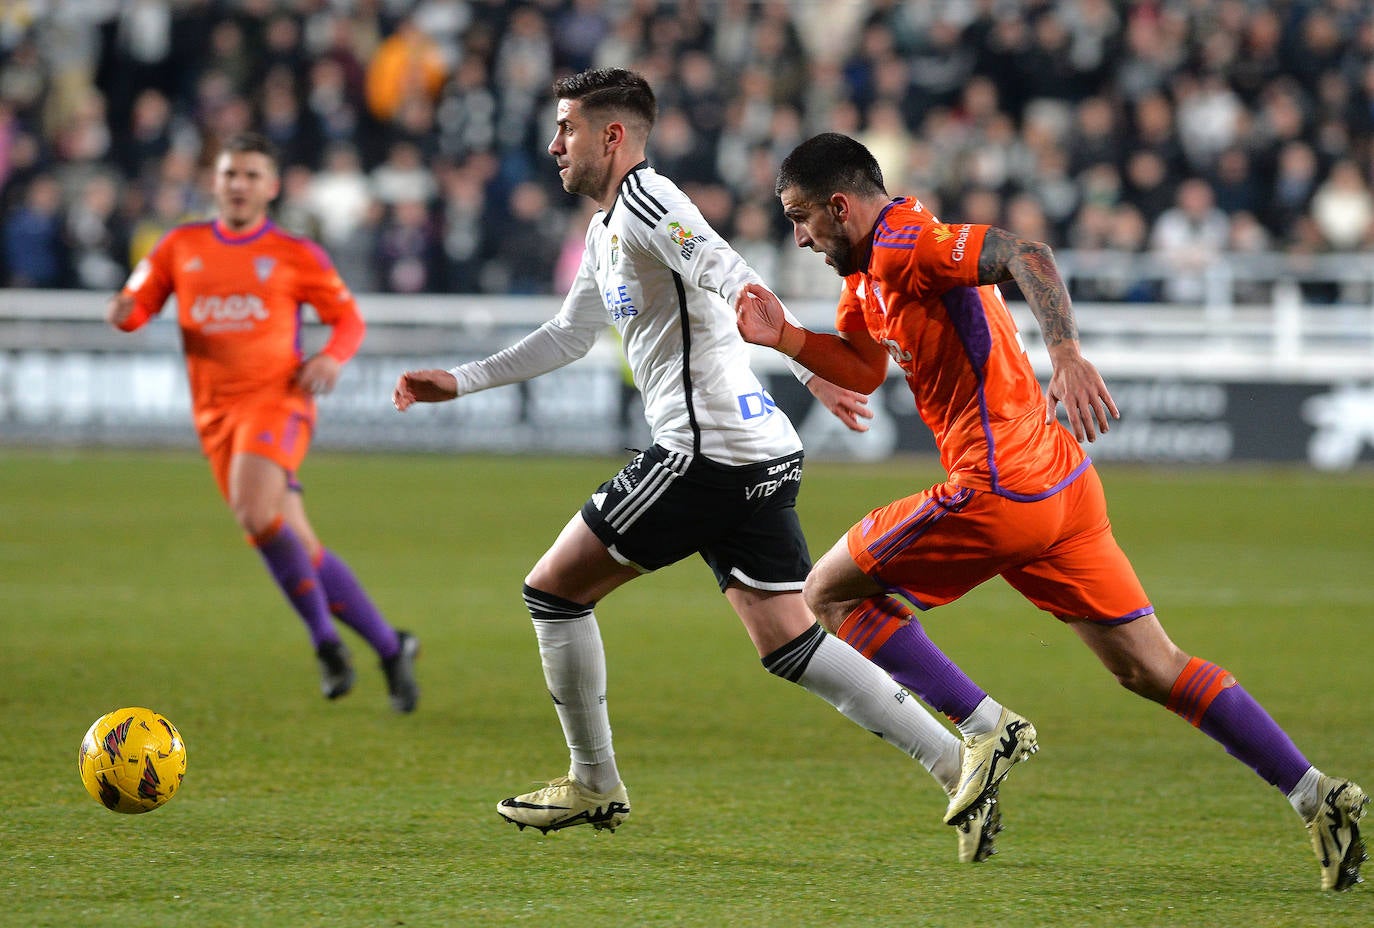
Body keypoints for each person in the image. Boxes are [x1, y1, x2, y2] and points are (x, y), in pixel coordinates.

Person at [393, 68, 1009, 862]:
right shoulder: (609, 227)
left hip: (702, 454)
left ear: (613, 136)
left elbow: (727, 273)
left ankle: (594, 781)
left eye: (567, 128)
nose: (554, 145)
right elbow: (571, 334)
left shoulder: (651, 202)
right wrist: (460, 381)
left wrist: (801, 355)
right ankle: (957, 759)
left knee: (553, 592)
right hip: (755, 453)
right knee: (787, 641)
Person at [735, 131, 1368, 891]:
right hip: (1061, 487)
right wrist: (788, 339)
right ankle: (1316, 794)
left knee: (827, 594)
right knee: (1150, 667)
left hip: (998, 486)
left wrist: (1065, 352)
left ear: (840, 206)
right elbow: (864, 369)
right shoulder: (867, 273)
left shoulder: (908, 244)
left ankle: (984, 727)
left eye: (801, 218)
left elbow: (1026, 254)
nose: (800, 238)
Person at [107, 131, 420, 713]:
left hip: (279, 401)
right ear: (214, 181)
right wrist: (124, 314)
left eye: (252, 175)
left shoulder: (295, 253)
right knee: (295, 540)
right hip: (215, 415)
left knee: (255, 513)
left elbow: (348, 320)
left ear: (272, 187)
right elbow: (137, 306)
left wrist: (331, 358)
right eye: (230, 173)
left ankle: (326, 644)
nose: (239, 184)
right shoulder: (180, 245)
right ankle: (390, 646)